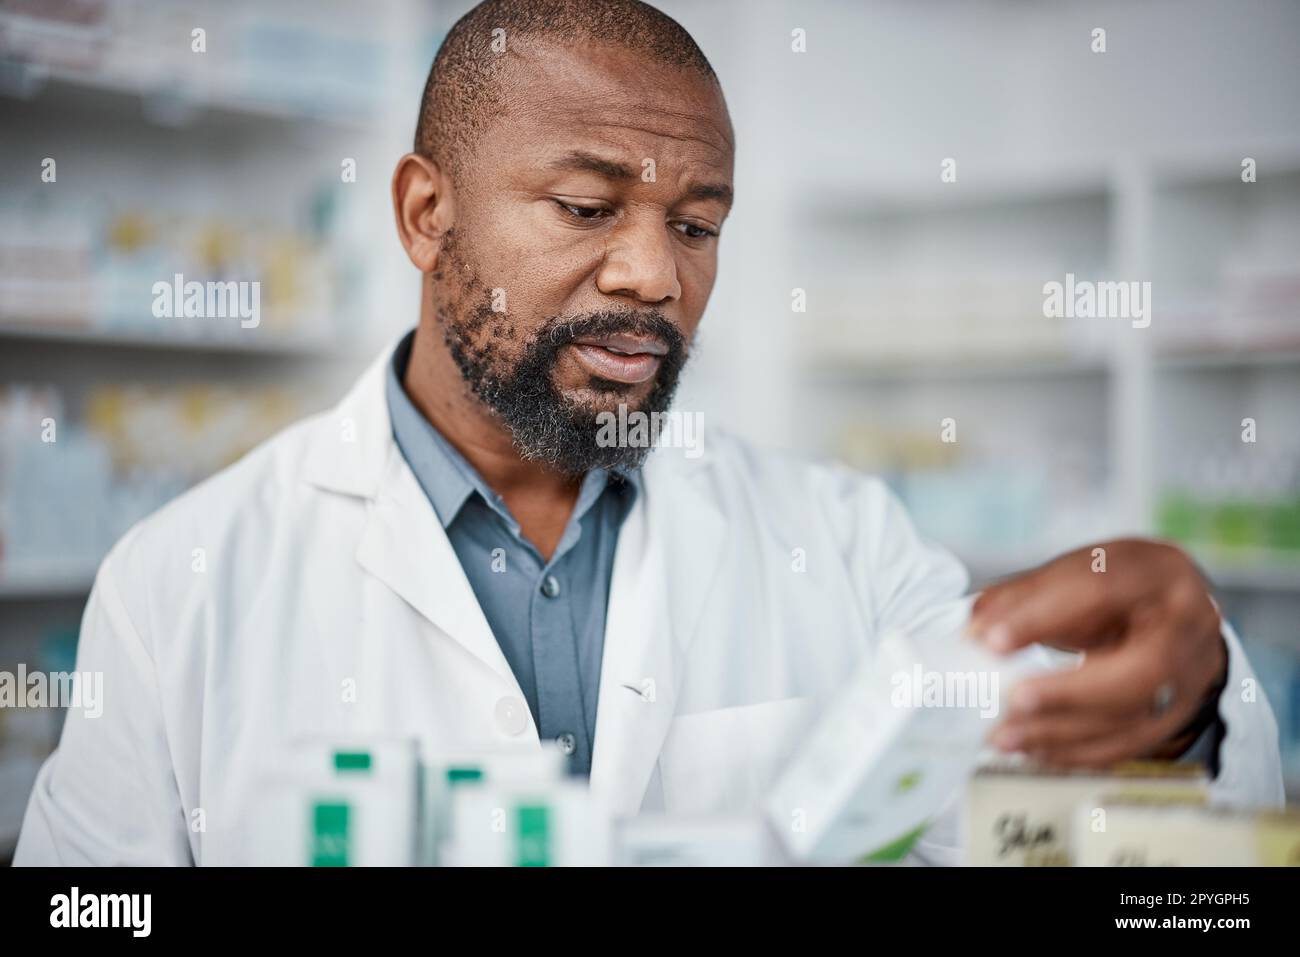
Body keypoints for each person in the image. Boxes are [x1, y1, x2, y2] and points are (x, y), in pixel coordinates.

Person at [16, 0, 1282, 866]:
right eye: (585, 205)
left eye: (696, 224)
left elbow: (1053, 830)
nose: (652, 278)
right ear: (423, 214)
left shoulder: (838, 542)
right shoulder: (183, 583)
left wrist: (1189, 699)